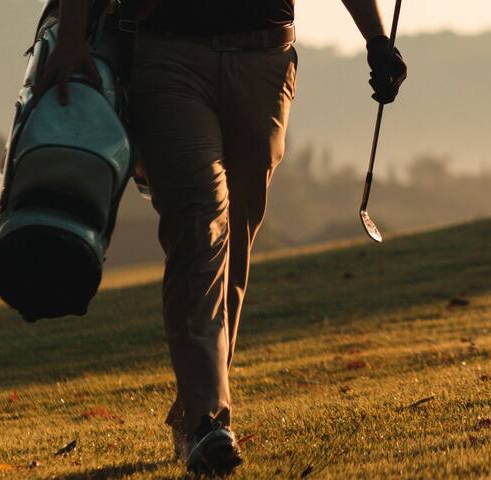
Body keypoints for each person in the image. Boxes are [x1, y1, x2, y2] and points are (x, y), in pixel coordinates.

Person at [40, 0, 407, 475]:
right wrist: (71, 35)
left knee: (234, 237)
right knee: (199, 227)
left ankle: (194, 405)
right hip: (168, 54)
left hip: (266, 59)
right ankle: (207, 421)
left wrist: (376, 41)